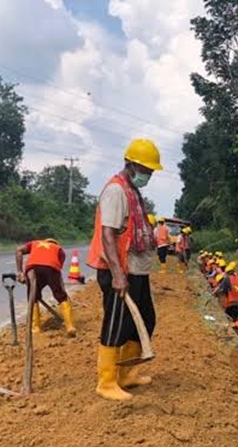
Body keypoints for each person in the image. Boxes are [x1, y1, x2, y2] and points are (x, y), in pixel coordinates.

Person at [86, 138, 162, 401]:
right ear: (131, 164)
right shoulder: (116, 191)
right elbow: (108, 235)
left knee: (145, 320)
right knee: (117, 324)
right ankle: (106, 381)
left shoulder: (133, 191)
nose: (149, 175)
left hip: (136, 271)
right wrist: (118, 274)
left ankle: (127, 374)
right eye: (146, 170)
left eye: (151, 172)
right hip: (119, 271)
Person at [15, 238, 76, 336]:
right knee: (60, 296)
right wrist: (61, 289)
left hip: (33, 268)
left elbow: (18, 250)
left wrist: (20, 272)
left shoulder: (35, 243)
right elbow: (57, 272)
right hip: (51, 268)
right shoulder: (59, 250)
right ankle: (69, 326)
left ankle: (36, 327)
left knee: (33, 297)